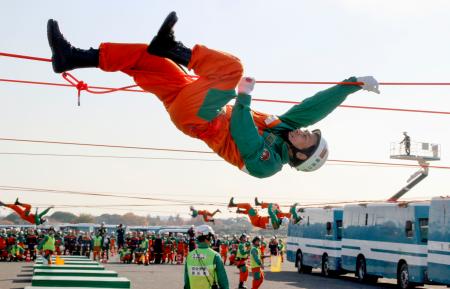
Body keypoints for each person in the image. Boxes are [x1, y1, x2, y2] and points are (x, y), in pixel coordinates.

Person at [46, 12, 379, 179]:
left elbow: (244, 136)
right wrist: (352, 84)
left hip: (198, 116)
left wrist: (244, 97)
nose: (306, 131)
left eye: (308, 139)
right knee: (149, 60)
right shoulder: (283, 130)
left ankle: (175, 48)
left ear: (300, 156)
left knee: (232, 71)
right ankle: (73, 57)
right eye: (309, 132)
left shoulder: (270, 165)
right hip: (188, 101)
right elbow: (313, 108)